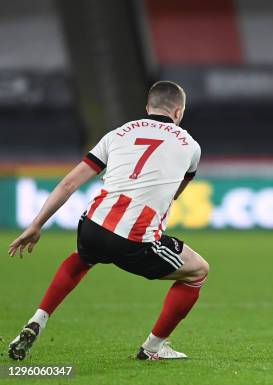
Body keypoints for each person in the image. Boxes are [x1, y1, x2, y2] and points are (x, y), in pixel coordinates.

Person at [7, 81, 208, 360]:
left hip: (93, 224)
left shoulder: (117, 134)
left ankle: (37, 320)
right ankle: (153, 348)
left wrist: (36, 224)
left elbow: (68, 184)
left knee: (82, 257)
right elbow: (175, 194)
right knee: (198, 271)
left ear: (147, 108)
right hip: (134, 239)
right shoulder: (191, 146)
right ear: (178, 112)